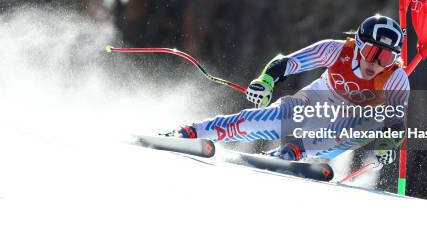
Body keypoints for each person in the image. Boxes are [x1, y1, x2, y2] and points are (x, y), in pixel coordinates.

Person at [170, 14, 410, 165]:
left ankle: (295, 152)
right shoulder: (335, 50)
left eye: (387, 57)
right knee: (265, 121)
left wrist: (388, 146)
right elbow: (285, 63)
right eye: (371, 52)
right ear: (358, 45)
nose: (375, 63)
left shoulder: (395, 78)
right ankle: (194, 132)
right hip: (314, 103)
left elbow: (396, 123)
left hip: (342, 129)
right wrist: (265, 82)